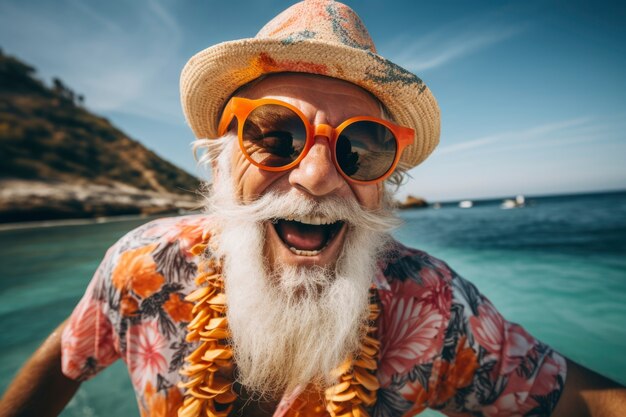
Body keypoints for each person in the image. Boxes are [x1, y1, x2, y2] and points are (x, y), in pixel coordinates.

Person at [1, 1, 624, 417]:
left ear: (389, 182)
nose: (320, 177)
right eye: (274, 136)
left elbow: (576, 399)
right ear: (219, 162)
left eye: (362, 146)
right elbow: (68, 351)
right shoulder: (143, 264)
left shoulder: (430, 305)